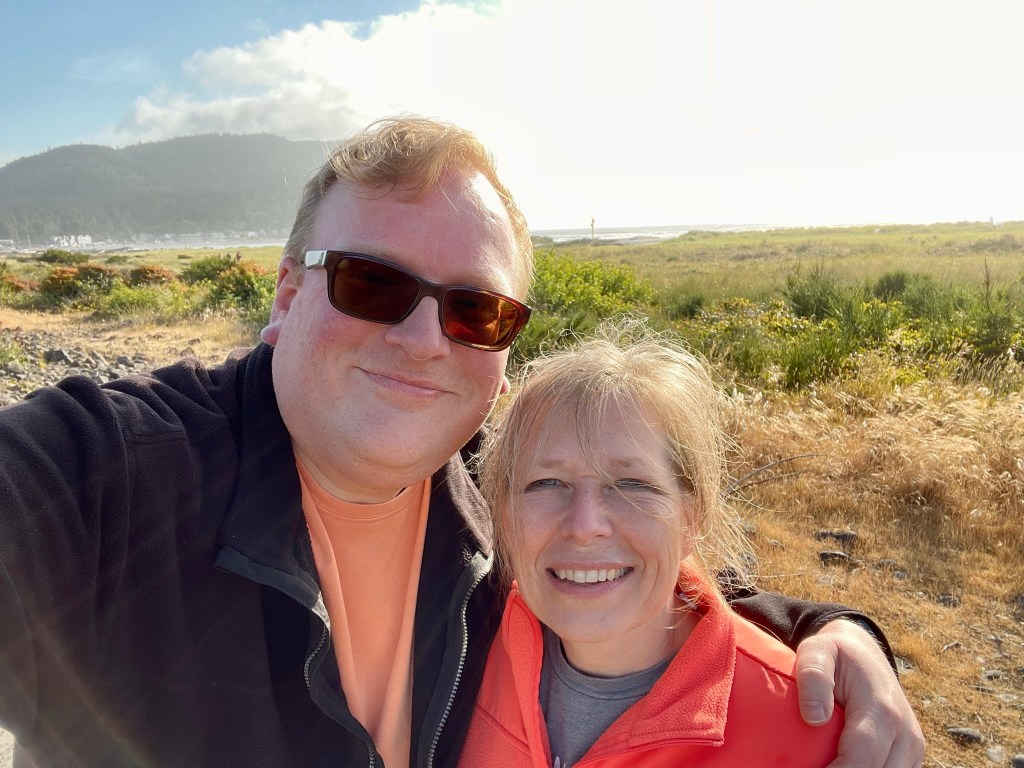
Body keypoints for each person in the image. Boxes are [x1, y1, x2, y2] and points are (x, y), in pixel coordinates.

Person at [0, 116, 923, 768]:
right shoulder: (107, 474)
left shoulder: (492, 499)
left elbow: (627, 560)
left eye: (474, 310)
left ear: (503, 353)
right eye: (370, 282)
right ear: (285, 299)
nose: (421, 338)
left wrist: (824, 629)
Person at [461, 320, 850, 766]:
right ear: (503, 513)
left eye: (630, 484)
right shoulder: (464, 648)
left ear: (690, 518)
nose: (585, 525)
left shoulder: (809, 732)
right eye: (546, 483)